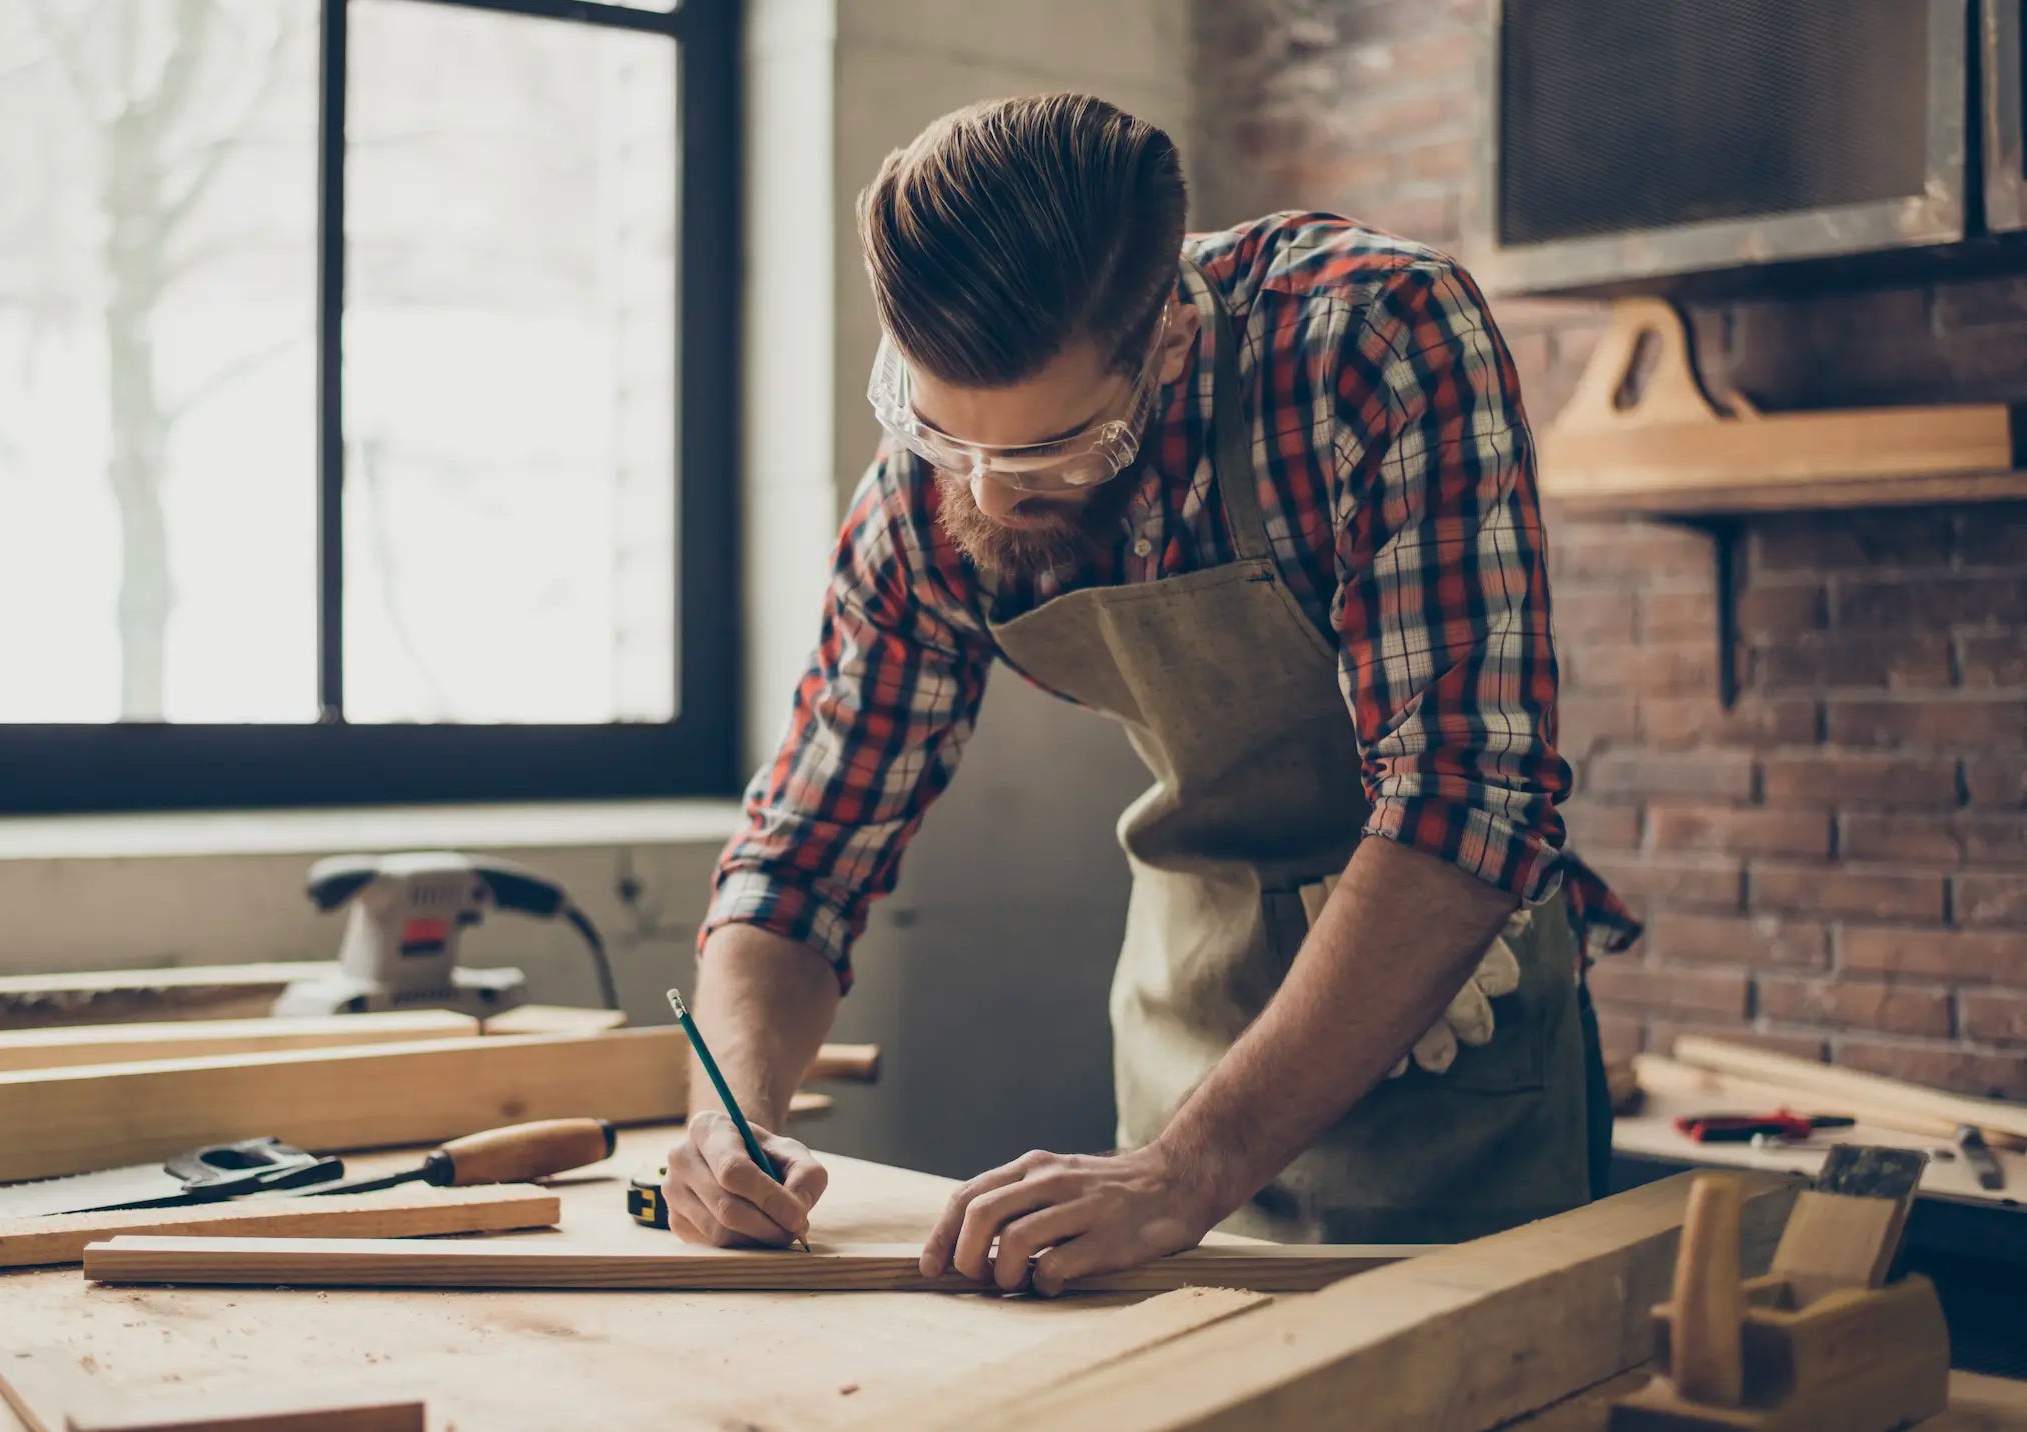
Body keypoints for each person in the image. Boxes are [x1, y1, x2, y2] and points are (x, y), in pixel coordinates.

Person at [662, 93, 1638, 1295]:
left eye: (1043, 453)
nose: (987, 491)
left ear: (1167, 339)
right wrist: (730, 1113)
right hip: (1187, 1037)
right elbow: (802, 853)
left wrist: (1187, 1167)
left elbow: (1467, 798)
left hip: (1451, 1031)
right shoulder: (940, 474)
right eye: (940, 431)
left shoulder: (1371, 342)